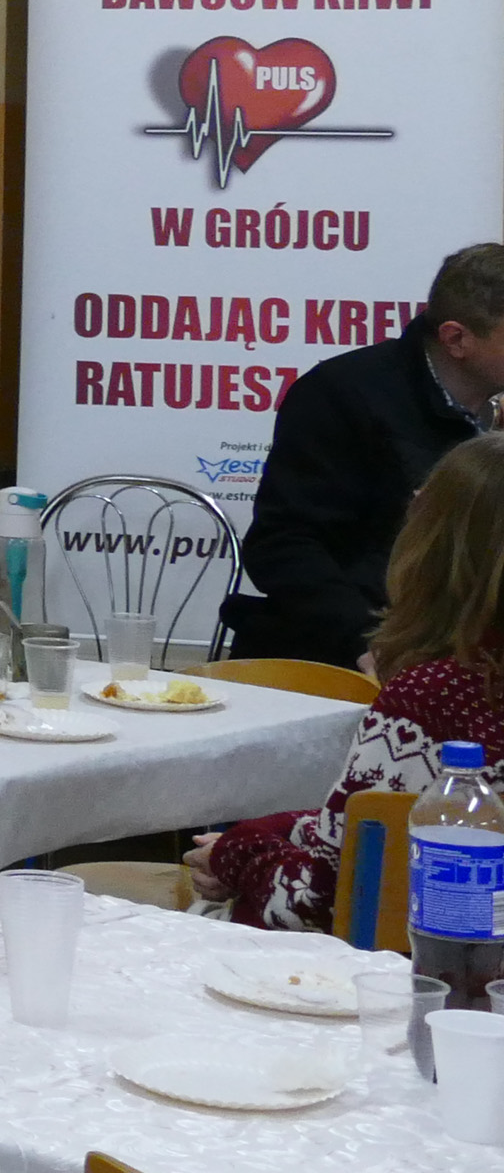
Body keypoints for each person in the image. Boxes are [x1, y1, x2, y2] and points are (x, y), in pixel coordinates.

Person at [197, 429, 504, 929]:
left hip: (420, 960)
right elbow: (366, 834)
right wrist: (268, 832)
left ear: (434, 544)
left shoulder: (435, 697)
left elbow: (324, 904)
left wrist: (235, 854)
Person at [219, 244, 504, 667]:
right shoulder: (341, 395)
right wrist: (365, 644)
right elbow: (284, 546)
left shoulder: (491, 405)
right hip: (348, 654)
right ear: (456, 339)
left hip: (466, 654)